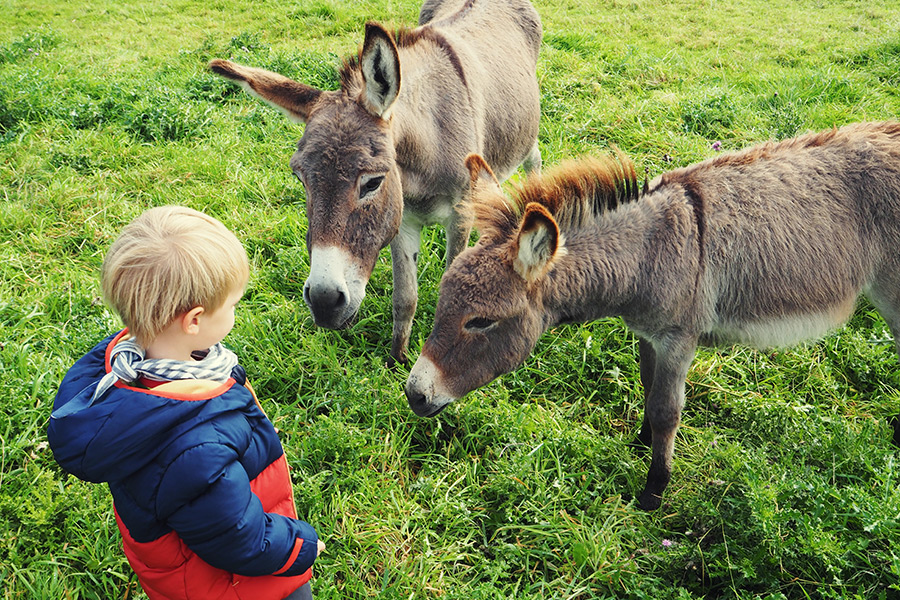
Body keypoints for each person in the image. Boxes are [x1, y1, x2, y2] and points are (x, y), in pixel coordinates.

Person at [48, 206, 324, 600]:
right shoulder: (195, 446)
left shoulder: (120, 371)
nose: (234, 313)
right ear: (194, 320)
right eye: (232, 306)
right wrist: (300, 547)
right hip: (236, 586)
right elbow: (238, 538)